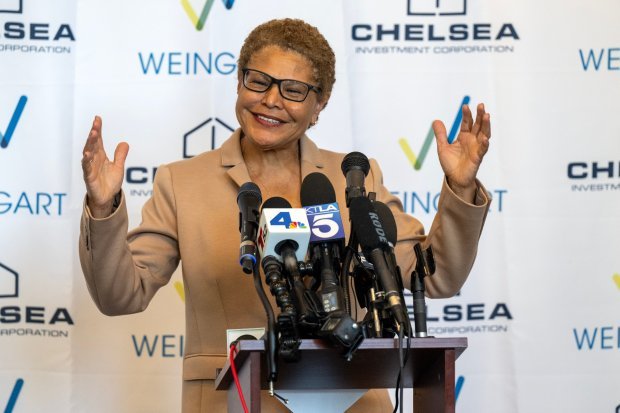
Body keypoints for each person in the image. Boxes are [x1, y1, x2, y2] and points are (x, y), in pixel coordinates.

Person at [79, 18, 491, 413]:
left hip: (350, 400)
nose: (271, 100)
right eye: (258, 81)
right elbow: (120, 295)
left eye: (293, 90)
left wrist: (461, 189)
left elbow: (435, 277)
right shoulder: (183, 182)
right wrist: (102, 207)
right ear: (239, 82)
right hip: (233, 402)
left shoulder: (354, 176)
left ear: (319, 104)